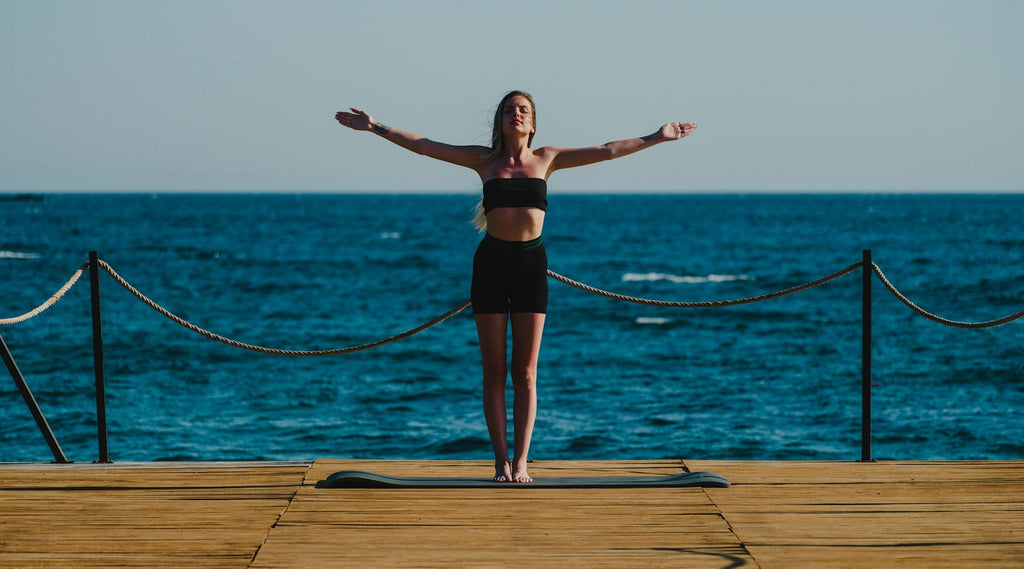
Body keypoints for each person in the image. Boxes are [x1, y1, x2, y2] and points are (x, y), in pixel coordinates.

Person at [335, 90, 696, 483]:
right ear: (501, 121)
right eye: (509, 110)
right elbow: (425, 146)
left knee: (524, 372)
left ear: (533, 122)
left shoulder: (548, 158)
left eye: (522, 110)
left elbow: (607, 150)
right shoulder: (483, 160)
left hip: (530, 266)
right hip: (490, 265)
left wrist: (658, 137)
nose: (516, 115)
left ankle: (522, 462)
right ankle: (500, 463)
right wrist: (375, 127)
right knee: (493, 371)